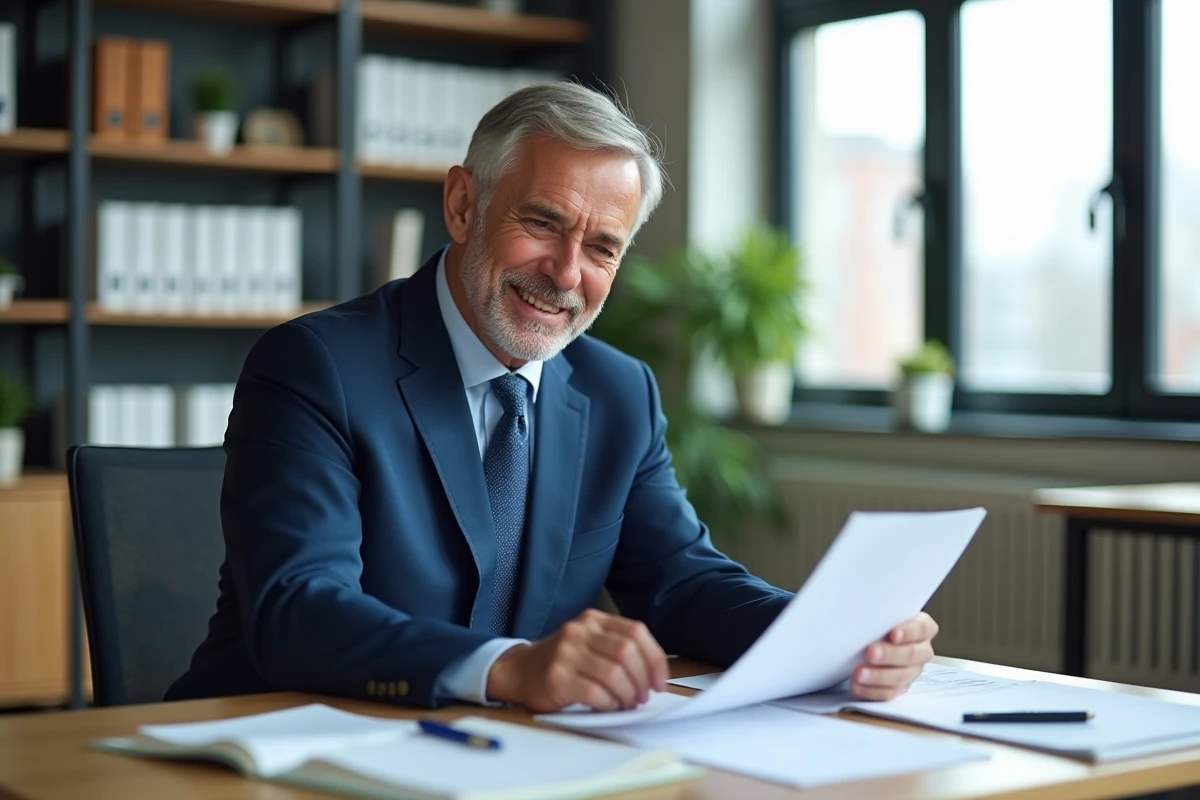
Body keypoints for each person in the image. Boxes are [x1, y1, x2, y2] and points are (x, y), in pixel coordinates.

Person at [165, 81, 939, 713]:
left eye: (603, 247)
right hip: (274, 747)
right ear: (463, 206)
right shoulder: (314, 365)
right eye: (542, 223)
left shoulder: (617, 391)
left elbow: (681, 579)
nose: (568, 273)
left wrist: (834, 634)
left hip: (499, 758)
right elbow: (298, 610)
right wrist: (507, 668)